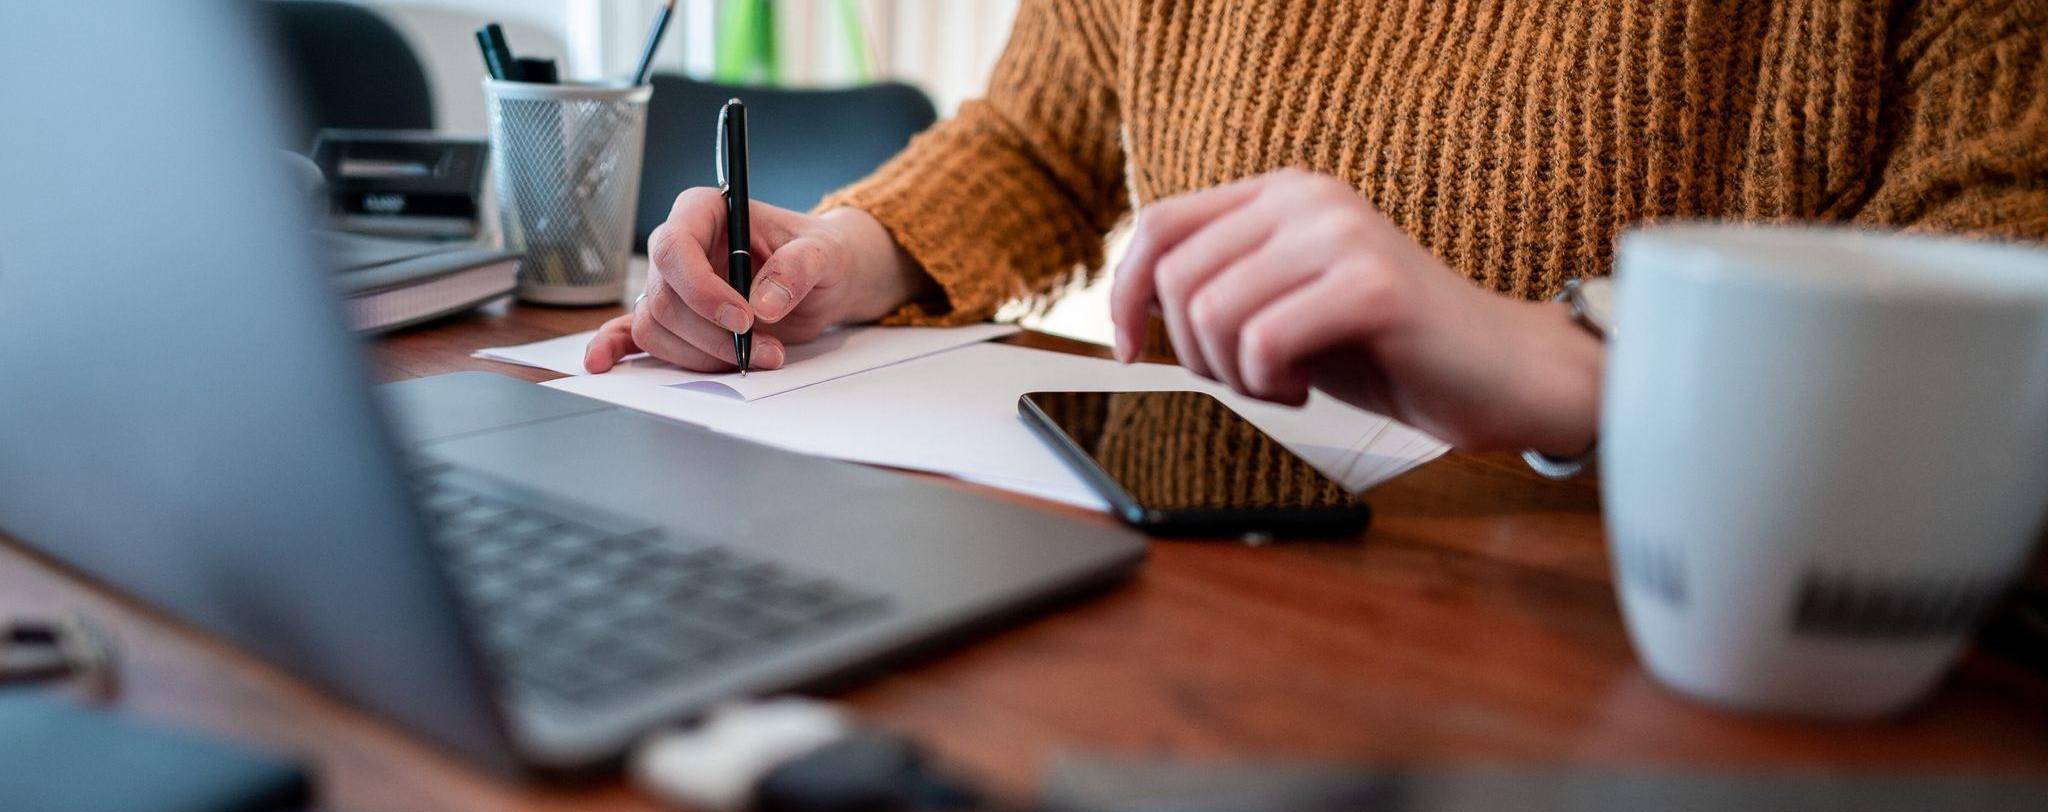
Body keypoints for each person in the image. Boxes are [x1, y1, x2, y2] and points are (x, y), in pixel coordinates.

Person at [588, 0, 2048, 463]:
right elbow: (1041, 137)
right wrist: (844, 255)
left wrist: (1592, 357)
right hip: (1221, 612)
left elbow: (2007, 278)